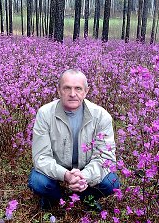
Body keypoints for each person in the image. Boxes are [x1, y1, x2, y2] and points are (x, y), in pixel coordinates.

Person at [28, 69, 120, 211]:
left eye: (78, 88)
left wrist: (84, 176)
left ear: (86, 91)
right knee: (38, 182)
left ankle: (85, 197)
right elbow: (41, 157)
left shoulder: (102, 116)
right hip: (58, 168)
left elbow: (106, 159)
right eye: (67, 88)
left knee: (111, 183)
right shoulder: (45, 113)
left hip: (86, 169)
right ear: (58, 90)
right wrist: (66, 175)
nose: (72, 94)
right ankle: (57, 199)